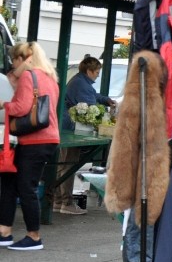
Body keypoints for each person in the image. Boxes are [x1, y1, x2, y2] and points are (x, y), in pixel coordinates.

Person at [0, 42, 61, 251]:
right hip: (46, 139)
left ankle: (34, 236)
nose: (12, 63)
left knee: (27, 188)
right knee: (10, 181)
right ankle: (4, 230)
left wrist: (4, 104)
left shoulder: (29, 76)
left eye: (14, 59)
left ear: (22, 58)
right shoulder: (50, 77)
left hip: (35, 140)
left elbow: (22, 106)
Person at [56, 56, 116, 215]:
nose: (97, 75)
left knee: (62, 164)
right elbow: (91, 106)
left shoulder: (80, 81)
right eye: (96, 72)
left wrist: (105, 99)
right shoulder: (81, 84)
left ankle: (57, 200)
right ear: (89, 71)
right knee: (68, 164)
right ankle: (66, 203)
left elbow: (94, 95)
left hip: (65, 125)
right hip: (70, 128)